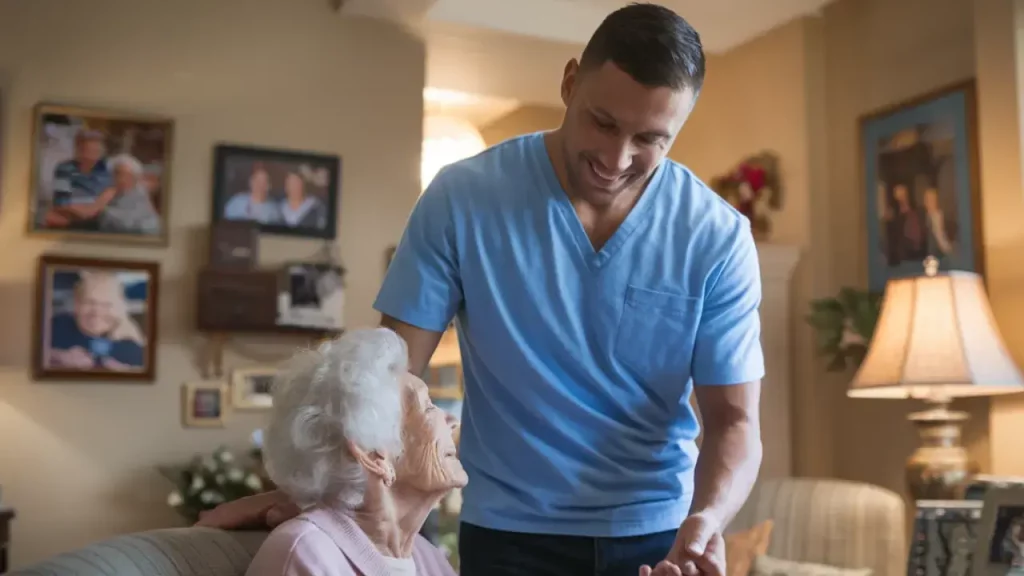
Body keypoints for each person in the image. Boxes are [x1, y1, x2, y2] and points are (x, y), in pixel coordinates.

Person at [201, 4, 763, 576]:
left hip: (657, 533)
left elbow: (735, 421)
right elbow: (391, 382)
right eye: (603, 122)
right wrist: (310, 497)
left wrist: (707, 519)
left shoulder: (716, 237)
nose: (617, 159)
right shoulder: (462, 198)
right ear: (570, 83)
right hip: (508, 534)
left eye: (650, 139)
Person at [244, 328, 463, 576]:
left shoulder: (429, 560)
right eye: (429, 408)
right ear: (373, 456)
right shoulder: (307, 553)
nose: (452, 420)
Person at [46, 271, 146, 371]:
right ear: (76, 304)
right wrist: (57, 357)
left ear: (121, 308)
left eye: (107, 305)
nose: (97, 312)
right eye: (89, 302)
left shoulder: (131, 344)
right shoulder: (52, 327)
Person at [42, 129, 112, 230]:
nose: (90, 156)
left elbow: (112, 195)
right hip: (72, 219)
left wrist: (91, 209)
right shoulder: (65, 168)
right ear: (78, 150)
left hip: (101, 221)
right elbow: (62, 204)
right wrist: (92, 208)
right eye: (87, 151)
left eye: (96, 151)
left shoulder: (107, 170)